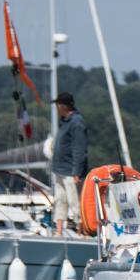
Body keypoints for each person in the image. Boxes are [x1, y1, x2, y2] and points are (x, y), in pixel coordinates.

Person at [51, 93, 87, 234]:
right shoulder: (65, 121)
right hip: (60, 169)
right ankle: (59, 231)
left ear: (63, 106)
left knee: (74, 202)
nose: (57, 108)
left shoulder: (76, 122)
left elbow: (79, 148)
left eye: (58, 105)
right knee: (60, 200)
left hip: (70, 170)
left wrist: (77, 171)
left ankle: (81, 230)